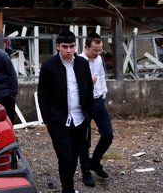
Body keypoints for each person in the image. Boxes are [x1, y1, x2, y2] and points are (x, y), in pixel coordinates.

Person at [38, 31, 94, 193]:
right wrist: (47, 119)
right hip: (59, 120)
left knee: (74, 156)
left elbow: (88, 90)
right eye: (65, 47)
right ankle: (67, 189)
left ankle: (68, 185)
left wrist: (88, 115)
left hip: (80, 119)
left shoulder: (83, 63)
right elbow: (43, 94)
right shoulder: (49, 66)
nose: (69, 50)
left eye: (72, 46)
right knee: (65, 157)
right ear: (58, 46)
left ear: (75, 46)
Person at [79, 33, 113, 187]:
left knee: (107, 135)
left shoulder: (98, 59)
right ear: (86, 47)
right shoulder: (78, 62)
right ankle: (86, 172)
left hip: (99, 101)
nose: (98, 53)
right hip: (84, 104)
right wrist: (88, 81)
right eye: (95, 50)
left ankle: (95, 162)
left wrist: (103, 93)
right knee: (84, 141)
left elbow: (101, 76)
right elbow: (73, 87)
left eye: (100, 50)